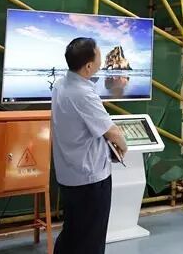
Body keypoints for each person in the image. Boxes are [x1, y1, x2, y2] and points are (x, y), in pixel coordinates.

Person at [52, 37, 127, 254]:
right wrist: (124, 147)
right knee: (91, 238)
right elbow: (112, 132)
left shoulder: (61, 85)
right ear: (88, 66)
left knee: (73, 232)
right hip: (90, 178)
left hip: (69, 174)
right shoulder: (83, 93)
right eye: (99, 56)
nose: (102, 60)